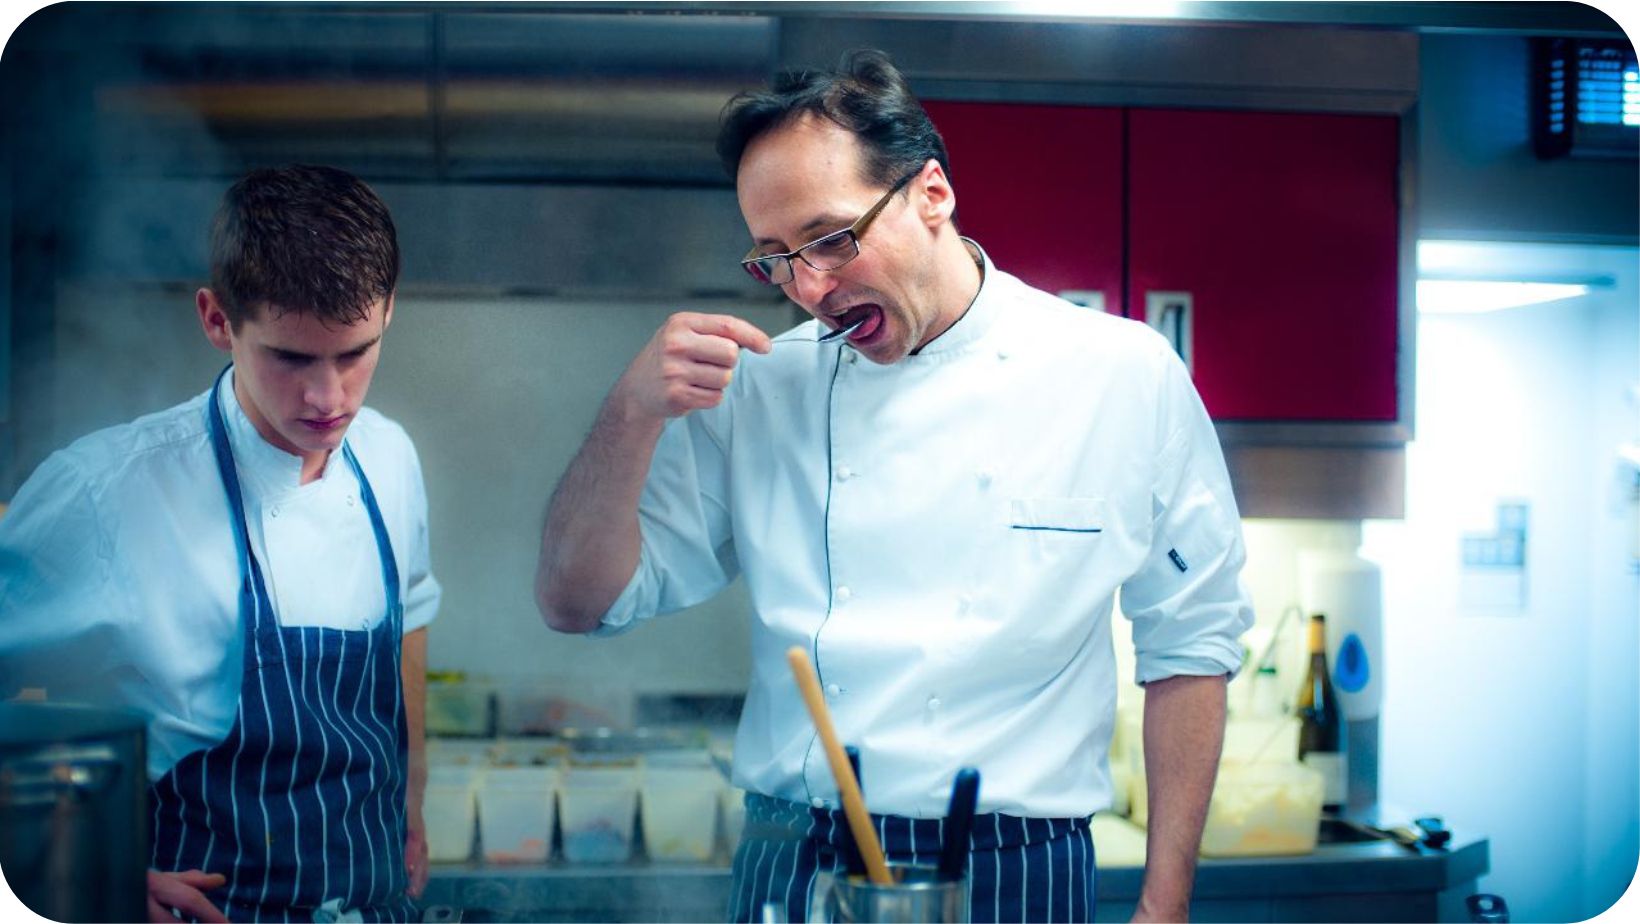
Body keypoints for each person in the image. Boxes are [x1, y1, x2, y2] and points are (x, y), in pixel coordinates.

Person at [535, 50, 1252, 923]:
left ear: (932, 195)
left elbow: (1191, 646)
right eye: (775, 259)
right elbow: (577, 602)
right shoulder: (762, 386)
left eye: (832, 239)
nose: (811, 289)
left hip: (1014, 866)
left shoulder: (1119, 374)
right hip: (793, 856)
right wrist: (632, 410)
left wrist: (1166, 899)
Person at [0, 164, 441, 923]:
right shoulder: (106, 492)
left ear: (390, 310)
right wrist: (62, 872)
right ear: (216, 320)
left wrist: (413, 796)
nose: (328, 399)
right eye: (291, 358)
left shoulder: (390, 457)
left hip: (372, 902)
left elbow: (412, 616)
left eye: (354, 352)